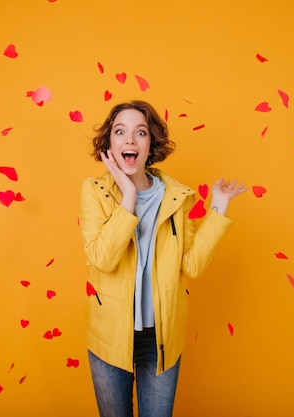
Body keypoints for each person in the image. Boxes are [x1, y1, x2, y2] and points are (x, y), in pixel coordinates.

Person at [79, 100, 247, 417]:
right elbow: (103, 258)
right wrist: (128, 197)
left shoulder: (176, 196)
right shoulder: (94, 191)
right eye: (120, 132)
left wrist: (219, 206)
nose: (129, 139)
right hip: (108, 337)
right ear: (110, 144)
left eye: (140, 132)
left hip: (161, 339)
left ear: (150, 143)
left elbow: (192, 264)